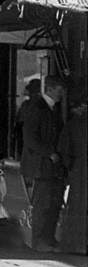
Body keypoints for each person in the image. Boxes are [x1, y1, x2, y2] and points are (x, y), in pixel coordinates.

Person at [19, 76, 66, 251]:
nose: (61, 94)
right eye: (59, 90)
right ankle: (38, 241)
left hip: (51, 166)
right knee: (42, 204)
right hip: (40, 165)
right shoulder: (36, 108)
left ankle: (49, 238)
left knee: (53, 203)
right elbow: (30, 138)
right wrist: (49, 152)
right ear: (51, 89)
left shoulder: (54, 108)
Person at [57, 97, 87, 255]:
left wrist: (71, 167)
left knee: (77, 206)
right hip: (80, 168)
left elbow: (64, 150)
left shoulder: (72, 125)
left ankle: (76, 245)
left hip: (79, 170)